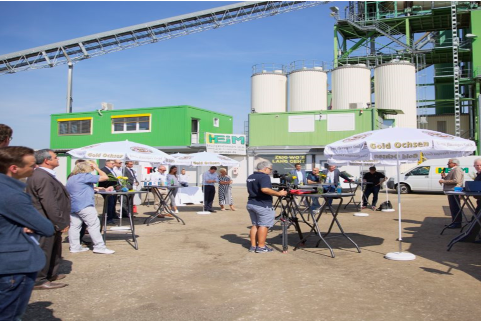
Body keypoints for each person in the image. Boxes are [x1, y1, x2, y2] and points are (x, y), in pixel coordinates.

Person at [0, 146, 54, 319]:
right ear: (14, 168)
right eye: (31, 165)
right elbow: (45, 228)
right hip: (14, 265)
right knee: (10, 315)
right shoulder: (11, 195)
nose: (35, 168)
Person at [26, 149, 70, 290]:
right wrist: (60, 221)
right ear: (47, 160)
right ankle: (39, 280)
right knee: (45, 249)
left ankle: (51, 274)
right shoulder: (42, 176)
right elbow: (49, 203)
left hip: (50, 220)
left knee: (54, 248)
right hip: (46, 220)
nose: (58, 159)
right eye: (56, 157)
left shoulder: (45, 175)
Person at [66, 161, 115, 254]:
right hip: (85, 205)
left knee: (74, 227)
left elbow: (83, 188)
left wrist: (101, 189)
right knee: (94, 225)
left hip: (73, 205)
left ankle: (75, 247)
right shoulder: (84, 176)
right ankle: (99, 246)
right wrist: (97, 168)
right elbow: (105, 177)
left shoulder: (72, 178)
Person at [246, 161, 287, 253]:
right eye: (270, 169)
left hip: (251, 203)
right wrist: (278, 193)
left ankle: (253, 246)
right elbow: (264, 189)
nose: (271, 171)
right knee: (264, 225)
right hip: (263, 204)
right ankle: (261, 246)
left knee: (255, 225)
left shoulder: (251, 176)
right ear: (265, 168)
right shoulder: (264, 176)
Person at [439, 158, 464, 228]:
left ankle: (457, 223)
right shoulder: (454, 169)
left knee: (455, 207)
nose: (447, 164)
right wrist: (444, 177)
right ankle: (454, 222)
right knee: (453, 207)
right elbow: (453, 179)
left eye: (449, 163)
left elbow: (456, 180)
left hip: (455, 191)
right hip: (452, 191)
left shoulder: (457, 169)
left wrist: (443, 181)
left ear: (454, 164)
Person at [98, 159, 118, 224]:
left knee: (112, 203)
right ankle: (108, 219)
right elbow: (104, 179)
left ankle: (111, 216)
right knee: (109, 203)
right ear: (107, 164)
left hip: (113, 189)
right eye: (112, 163)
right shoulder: (103, 170)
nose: (114, 165)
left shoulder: (111, 170)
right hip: (106, 189)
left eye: (114, 163)